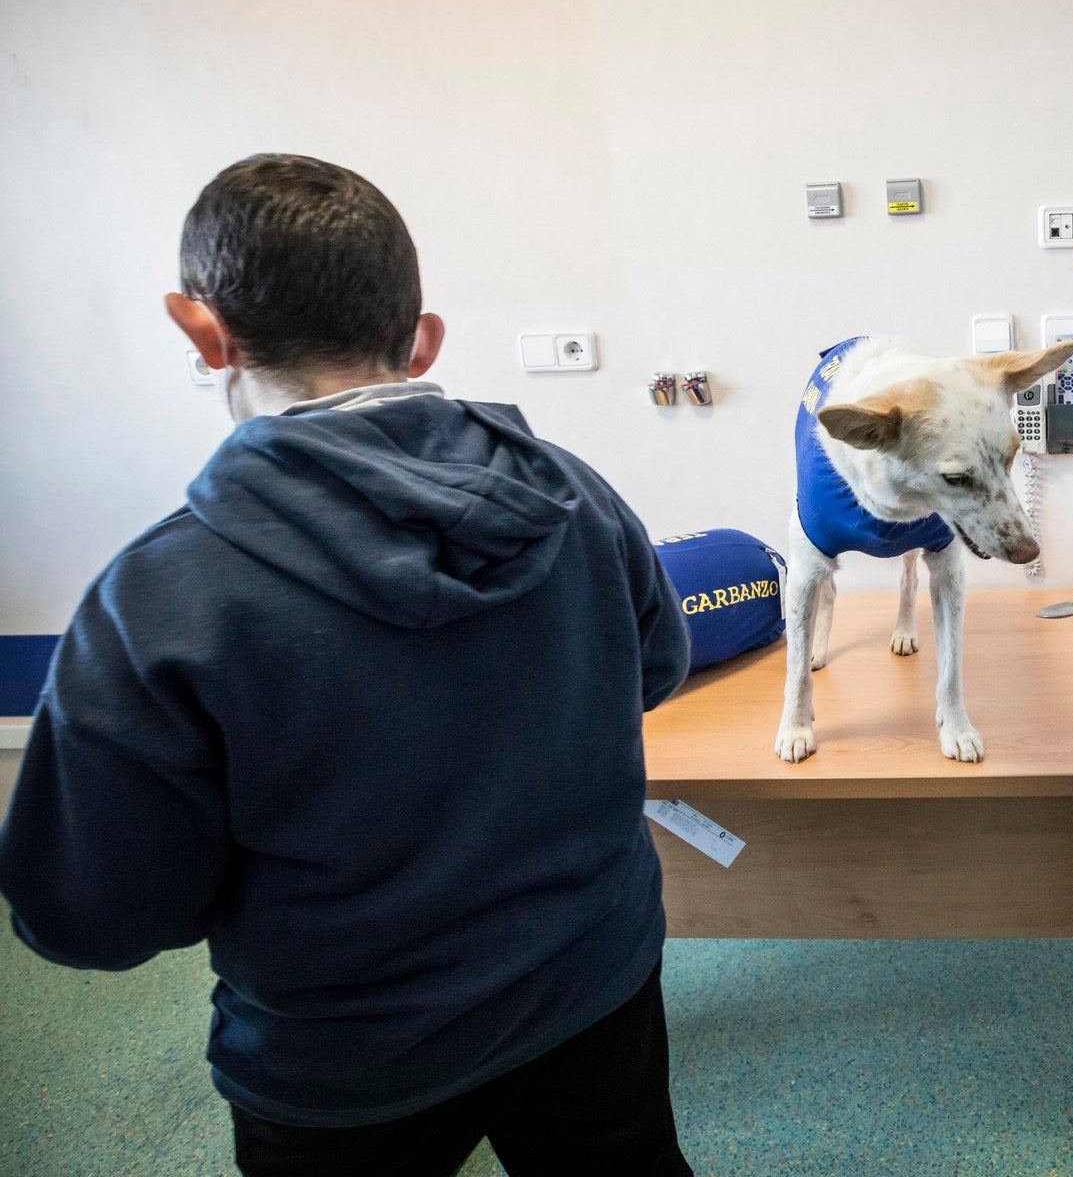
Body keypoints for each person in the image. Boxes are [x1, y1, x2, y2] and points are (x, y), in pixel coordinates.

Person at [0, 155, 695, 1176]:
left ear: (201, 330)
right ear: (421, 340)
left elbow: (92, 917)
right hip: (591, 980)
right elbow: (651, 671)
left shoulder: (158, 598)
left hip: (346, 1059)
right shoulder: (572, 496)